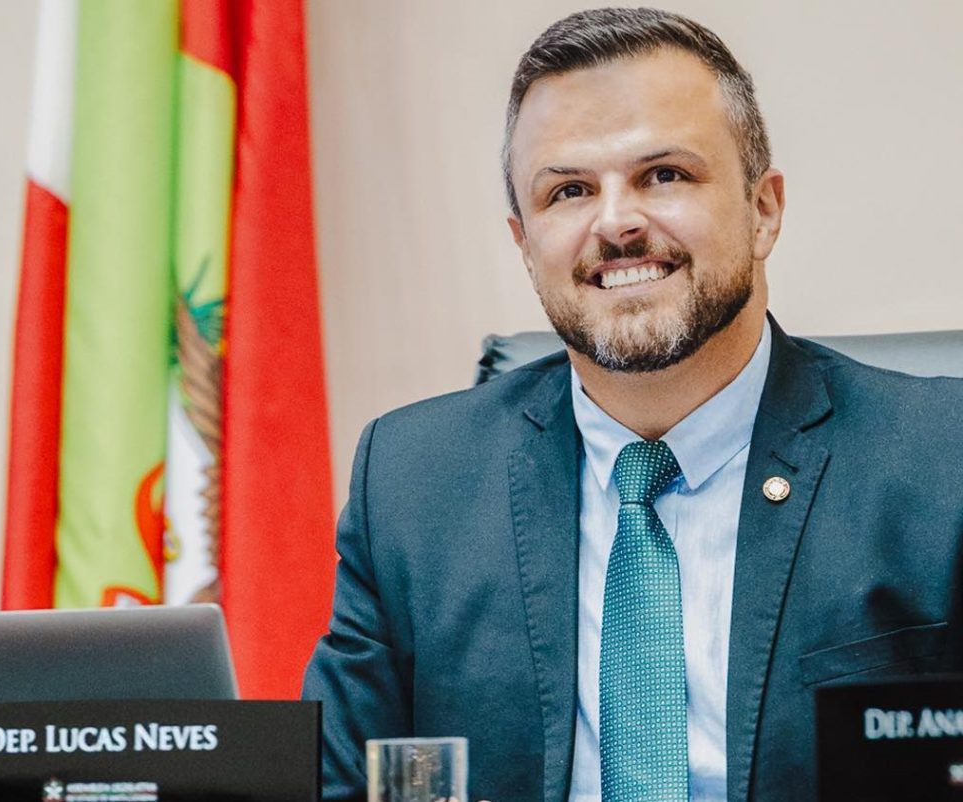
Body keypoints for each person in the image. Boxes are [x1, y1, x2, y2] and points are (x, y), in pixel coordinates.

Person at [302, 7, 963, 802]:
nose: (616, 223)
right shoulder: (412, 486)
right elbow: (333, 784)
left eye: (665, 175)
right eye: (569, 190)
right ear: (524, 244)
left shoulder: (943, 461)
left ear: (763, 210)